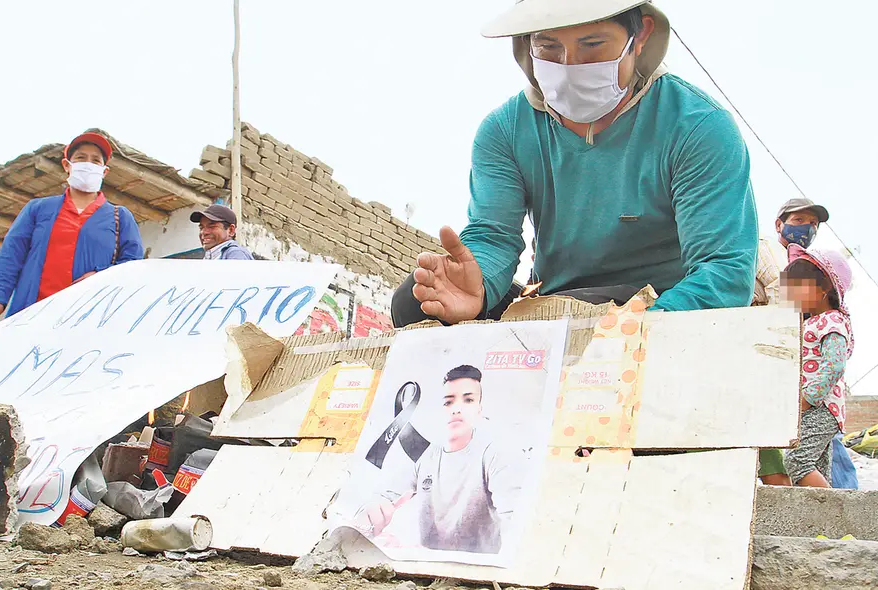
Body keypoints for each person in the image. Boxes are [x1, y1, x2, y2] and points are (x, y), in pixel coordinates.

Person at [392, 0, 757, 328]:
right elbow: (493, 235)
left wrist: (647, 327)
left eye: (592, 45)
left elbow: (723, 267)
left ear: (640, 35)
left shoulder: (696, 125)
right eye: (549, 47)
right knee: (414, 302)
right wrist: (479, 284)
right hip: (553, 303)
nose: (569, 65)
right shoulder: (505, 129)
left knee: (599, 315)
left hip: (660, 306)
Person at [0, 132, 143, 326]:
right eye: (81, 158)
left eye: (95, 161)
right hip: (30, 316)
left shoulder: (120, 217)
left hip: (86, 322)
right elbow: (12, 255)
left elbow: (132, 265)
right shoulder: (38, 209)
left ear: (104, 171)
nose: (88, 164)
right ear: (67, 165)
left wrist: (100, 274)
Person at [356, 365, 522, 554]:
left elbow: (514, 515)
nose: (456, 409)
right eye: (448, 402)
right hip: (426, 569)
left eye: (468, 400)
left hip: (478, 571)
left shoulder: (494, 453)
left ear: (479, 409)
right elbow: (387, 493)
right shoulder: (424, 456)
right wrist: (376, 507)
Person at [780, 247, 854, 487]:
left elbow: (835, 365)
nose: (791, 295)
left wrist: (807, 398)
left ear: (823, 289)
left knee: (796, 461)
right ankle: (825, 520)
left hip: (821, 407)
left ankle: (834, 514)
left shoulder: (831, 320)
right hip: (815, 407)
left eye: (797, 287)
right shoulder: (812, 321)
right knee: (818, 466)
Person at [189, 203, 253, 260]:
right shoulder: (211, 257)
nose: (204, 232)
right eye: (201, 227)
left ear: (231, 230)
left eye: (211, 227)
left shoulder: (235, 253)